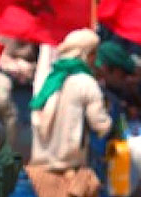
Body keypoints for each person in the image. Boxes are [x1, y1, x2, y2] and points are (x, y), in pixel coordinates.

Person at [29, 29, 113, 173]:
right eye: (94, 53)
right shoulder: (86, 82)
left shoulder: (49, 78)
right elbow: (100, 124)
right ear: (88, 54)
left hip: (39, 168)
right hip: (69, 169)